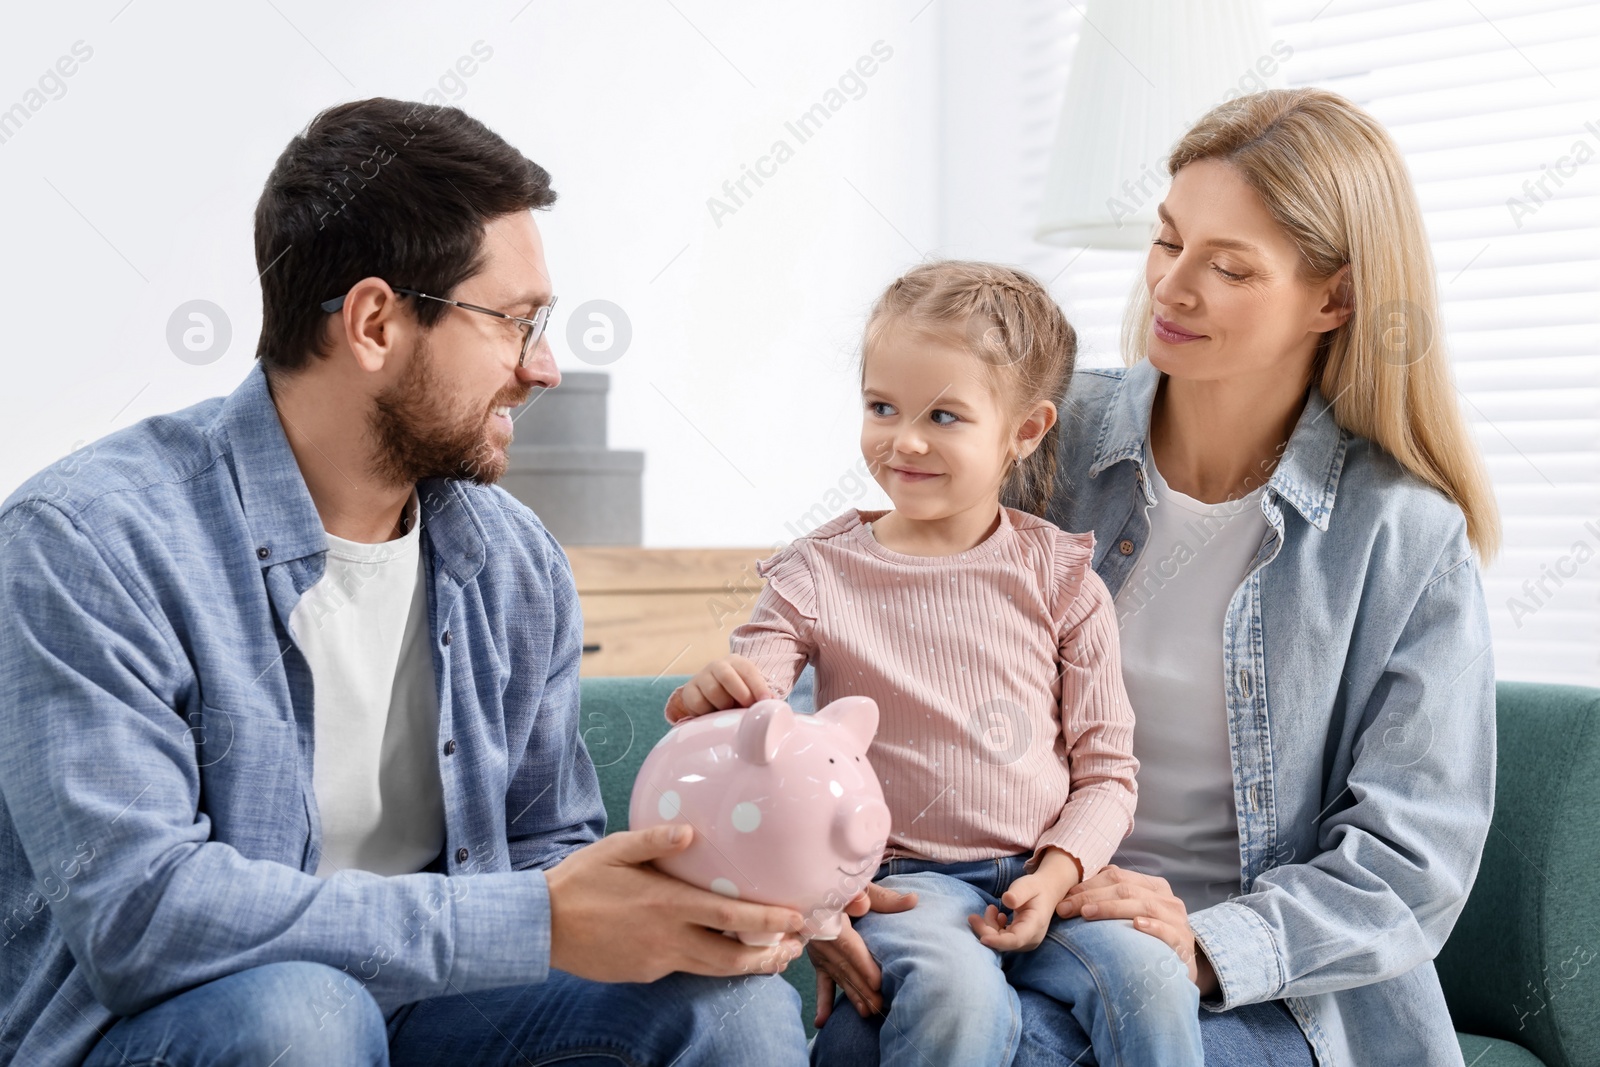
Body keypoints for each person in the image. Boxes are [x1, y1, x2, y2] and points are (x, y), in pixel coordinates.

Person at [0, 98, 810, 1067]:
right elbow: (139, 914)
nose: (544, 367)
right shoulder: (89, 543)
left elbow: (549, 856)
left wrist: (716, 862)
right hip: (178, 1025)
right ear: (376, 322)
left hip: (440, 1014)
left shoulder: (512, 560)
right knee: (306, 1016)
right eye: (515, 322)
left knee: (731, 1007)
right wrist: (530, 920)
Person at [813, 88, 1499, 1067]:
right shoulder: (1045, 435)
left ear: (1333, 298)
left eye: (1227, 266)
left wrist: (1205, 943)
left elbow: (1409, 861)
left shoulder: (1401, 534)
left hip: (1261, 986)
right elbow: (855, 629)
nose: (1173, 288)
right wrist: (814, 853)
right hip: (997, 908)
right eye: (1168, 242)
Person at [664, 261, 1204, 1066]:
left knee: (1157, 980)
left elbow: (1107, 772)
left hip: (1049, 880)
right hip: (906, 885)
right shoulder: (816, 573)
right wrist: (723, 701)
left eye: (944, 415)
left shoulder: (1062, 579)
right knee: (959, 999)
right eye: (882, 406)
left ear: (1024, 431)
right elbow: (755, 718)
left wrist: (1056, 875)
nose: (903, 439)